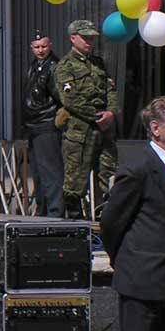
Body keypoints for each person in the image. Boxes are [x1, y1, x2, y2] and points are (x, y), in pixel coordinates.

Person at [100, 95, 165, 331]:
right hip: (142, 281)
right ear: (156, 128)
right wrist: (125, 261)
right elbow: (111, 223)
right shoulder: (137, 169)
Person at [53, 19, 119, 219]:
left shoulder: (98, 63)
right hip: (80, 130)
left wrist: (111, 112)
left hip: (104, 129)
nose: (89, 41)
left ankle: (105, 217)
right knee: (76, 178)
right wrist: (95, 115)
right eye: (85, 37)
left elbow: (110, 89)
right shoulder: (65, 66)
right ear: (73, 38)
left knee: (108, 172)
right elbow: (70, 99)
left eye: (91, 38)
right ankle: (75, 220)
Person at [21, 30, 64, 217]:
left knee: (51, 171)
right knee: (38, 172)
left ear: (50, 46)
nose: (40, 50)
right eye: (37, 47)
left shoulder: (54, 67)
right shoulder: (34, 66)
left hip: (46, 123)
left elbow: (60, 96)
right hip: (34, 124)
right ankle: (43, 209)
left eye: (44, 46)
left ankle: (55, 211)